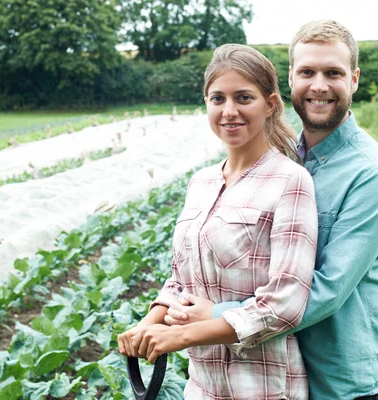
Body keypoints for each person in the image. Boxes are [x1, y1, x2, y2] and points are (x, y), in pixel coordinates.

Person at [165, 20, 378, 400]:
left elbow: (326, 289)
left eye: (334, 73)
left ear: (354, 80)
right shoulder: (286, 159)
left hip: (344, 381)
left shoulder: (372, 174)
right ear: (291, 78)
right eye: (307, 72)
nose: (319, 85)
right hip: (280, 371)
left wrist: (213, 315)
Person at [117, 44, 318, 399]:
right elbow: (182, 279)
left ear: (270, 104)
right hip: (202, 385)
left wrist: (180, 336)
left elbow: (285, 303)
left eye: (243, 98)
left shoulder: (290, 181)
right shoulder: (201, 182)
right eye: (217, 99)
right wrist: (148, 325)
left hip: (264, 387)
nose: (229, 112)